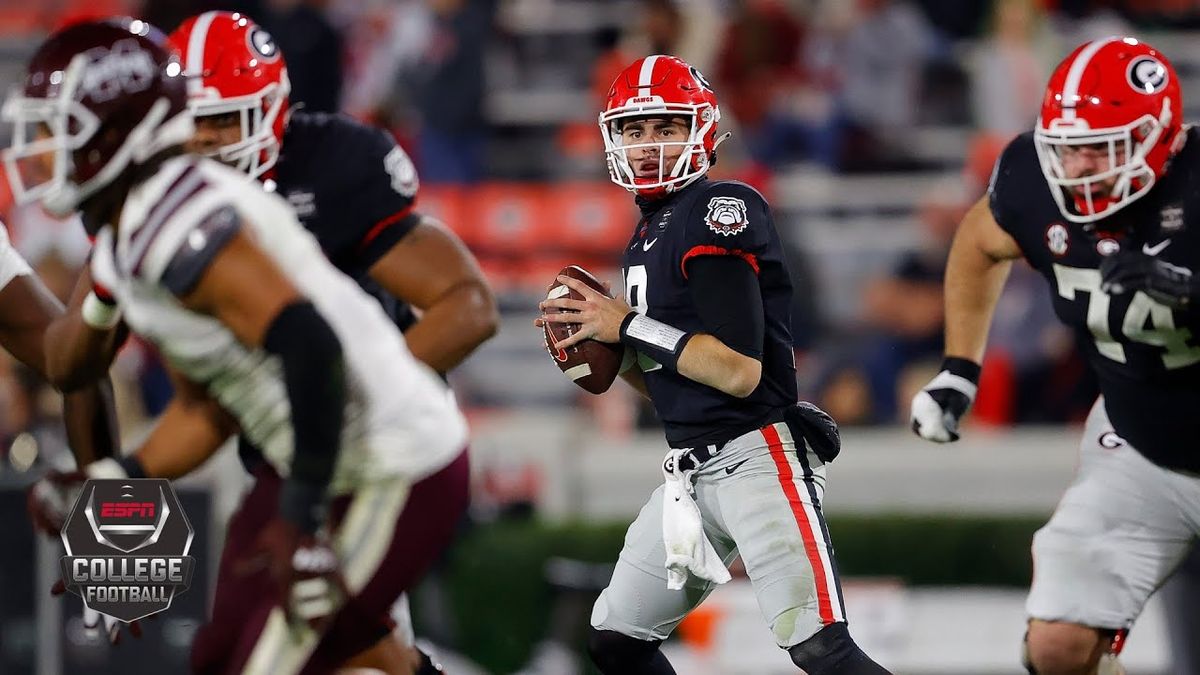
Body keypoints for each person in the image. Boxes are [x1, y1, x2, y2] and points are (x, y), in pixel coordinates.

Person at [13, 19, 469, 674]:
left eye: (66, 127)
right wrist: (112, 481)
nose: (45, 146)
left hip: (385, 461)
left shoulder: (180, 224)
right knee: (219, 654)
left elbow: (313, 347)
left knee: (270, 661)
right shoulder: (129, 235)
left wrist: (303, 513)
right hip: (311, 456)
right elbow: (206, 408)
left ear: (124, 135)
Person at [165, 12, 498, 673]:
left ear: (270, 113)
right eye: (189, 123)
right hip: (281, 463)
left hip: (370, 456)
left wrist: (349, 401)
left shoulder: (331, 170)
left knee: (311, 647)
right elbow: (197, 407)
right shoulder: (160, 211)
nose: (205, 143)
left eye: (225, 121)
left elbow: (469, 306)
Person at [537, 54, 890, 675]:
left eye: (666, 126)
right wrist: (615, 358)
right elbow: (680, 384)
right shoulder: (647, 234)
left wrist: (624, 325)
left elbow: (738, 372)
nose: (650, 145)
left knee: (821, 650)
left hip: (758, 456)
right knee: (617, 640)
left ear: (700, 130)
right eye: (636, 130)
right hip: (692, 473)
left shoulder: (720, 207)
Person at [910, 36, 1200, 674]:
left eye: (1102, 146)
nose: (1081, 167)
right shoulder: (1033, 182)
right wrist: (961, 367)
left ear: (1162, 137)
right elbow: (980, 242)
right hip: (1142, 447)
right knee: (1057, 646)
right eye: (1069, 148)